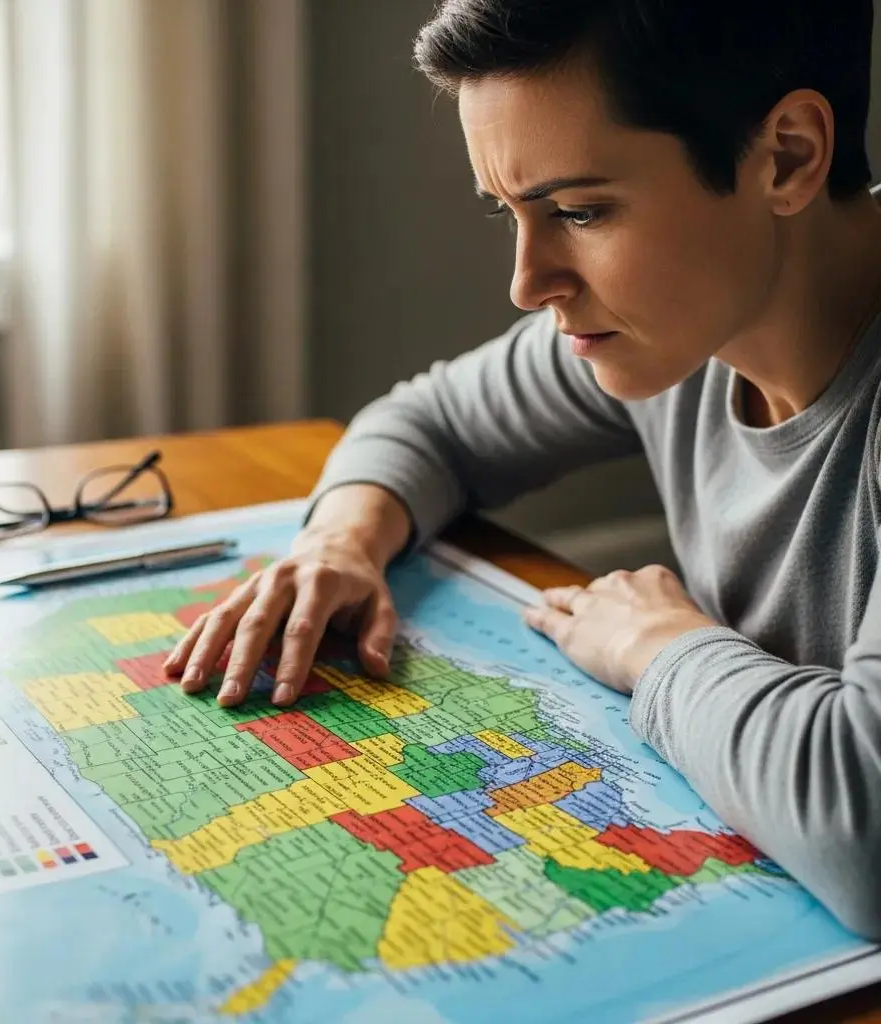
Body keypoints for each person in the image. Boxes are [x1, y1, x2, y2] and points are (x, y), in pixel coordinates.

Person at [165, 0, 881, 938]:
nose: (527, 282)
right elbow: (430, 421)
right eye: (510, 211)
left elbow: (863, 831)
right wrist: (341, 541)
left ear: (786, 155)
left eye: (580, 211)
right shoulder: (684, 334)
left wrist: (655, 646)